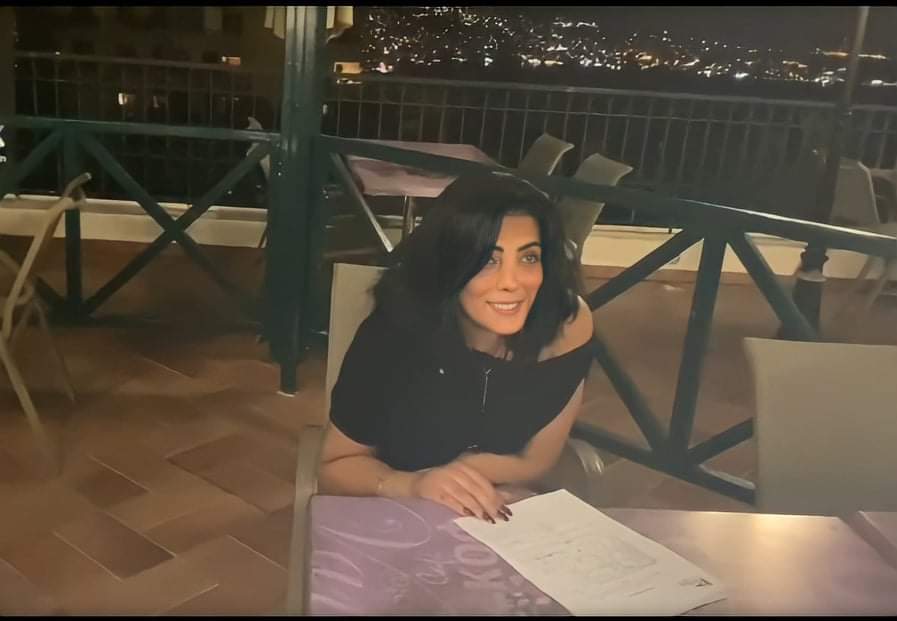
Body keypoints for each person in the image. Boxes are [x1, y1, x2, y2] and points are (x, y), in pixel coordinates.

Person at [318, 171, 595, 523]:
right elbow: (333, 468)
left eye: (528, 258)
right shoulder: (394, 333)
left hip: (500, 517)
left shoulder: (566, 327)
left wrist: (468, 482)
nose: (511, 283)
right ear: (449, 265)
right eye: (488, 260)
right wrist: (414, 484)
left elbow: (537, 460)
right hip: (398, 515)